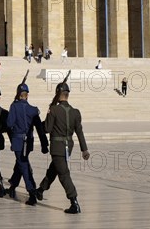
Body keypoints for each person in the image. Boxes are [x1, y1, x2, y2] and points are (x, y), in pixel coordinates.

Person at [35, 82, 90, 214]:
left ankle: (74, 202)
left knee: (64, 174)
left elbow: (47, 129)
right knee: (54, 169)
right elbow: (79, 132)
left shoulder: (54, 110)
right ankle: (40, 190)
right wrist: (84, 149)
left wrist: (42, 121)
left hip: (57, 146)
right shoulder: (75, 112)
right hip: (67, 147)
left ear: (58, 94)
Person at [6, 84, 48, 205]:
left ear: (18, 95)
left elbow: (9, 123)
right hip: (28, 143)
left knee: (23, 165)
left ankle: (32, 192)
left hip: (18, 142)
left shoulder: (14, 106)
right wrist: (44, 144)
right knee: (20, 163)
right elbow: (40, 128)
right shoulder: (33, 109)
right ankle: (13, 186)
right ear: (27, 95)